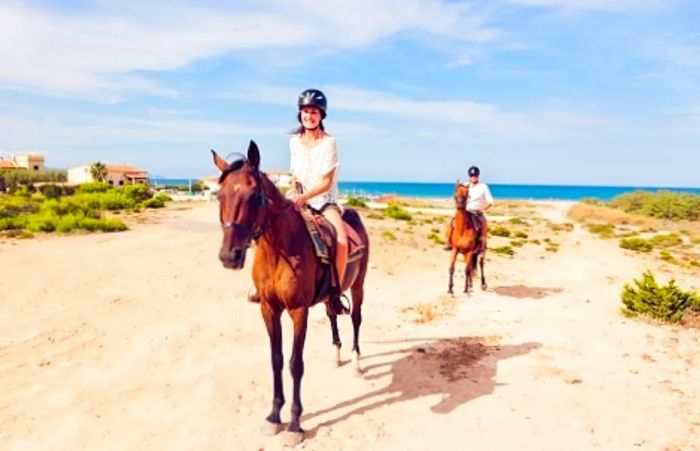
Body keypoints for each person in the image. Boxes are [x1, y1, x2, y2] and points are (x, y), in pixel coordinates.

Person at [288, 88, 349, 314]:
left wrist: (305, 196)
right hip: (298, 197)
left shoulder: (329, 143)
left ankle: (335, 293)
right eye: (306, 111)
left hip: (323, 201)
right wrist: (295, 189)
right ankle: (263, 282)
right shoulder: (294, 142)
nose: (309, 116)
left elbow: (326, 181)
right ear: (300, 114)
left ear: (321, 115)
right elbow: (294, 174)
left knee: (341, 241)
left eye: (314, 112)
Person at [444, 165, 494, 251]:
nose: (473, 177)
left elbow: (490, 202)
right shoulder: (466, 185)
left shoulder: (483, 187)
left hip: (476, 212)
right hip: (465, 211)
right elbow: (458, 191)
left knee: (483, 224)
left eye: (475, 175)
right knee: (451, 221)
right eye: (471, 175)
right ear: (469, 176)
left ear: (478, 176)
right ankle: (449, 242)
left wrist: (482, 209)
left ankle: (481, 246)